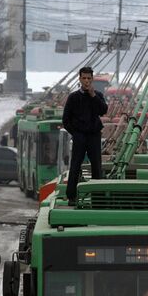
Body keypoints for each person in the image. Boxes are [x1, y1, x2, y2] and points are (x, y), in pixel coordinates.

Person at [63, 67, 108, 206]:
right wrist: (76, 134)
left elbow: (103, 110)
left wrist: (93, 95)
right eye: (84, 78)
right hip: (80, 135)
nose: (87, 81)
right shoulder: (73, 97)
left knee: (96, 166)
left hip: (94, 135)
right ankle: (71, 196)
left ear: (92, 79)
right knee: (75, 165)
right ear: (80, 79)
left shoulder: (97, 95)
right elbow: (66, 120)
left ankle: (98, 198)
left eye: (89, 78)